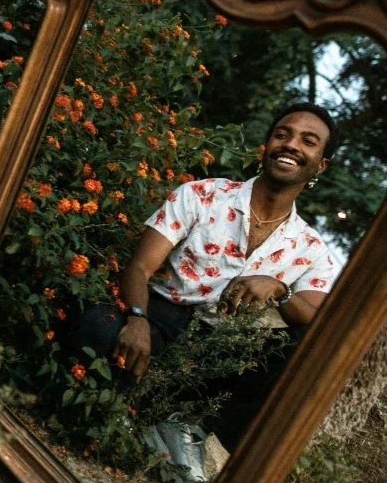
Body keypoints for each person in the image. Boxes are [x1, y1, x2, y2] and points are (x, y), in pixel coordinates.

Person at [69, 102, 340, 453]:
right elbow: (139, 268)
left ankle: (194, 442)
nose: (291, 145)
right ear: (267, 146)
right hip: (163, 323)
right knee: (99, 327)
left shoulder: (312, 248)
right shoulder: (202, 194)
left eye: (308, 141)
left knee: (296, 352)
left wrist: (279, 289)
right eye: (282, 135)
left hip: (224, 357)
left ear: (321, 164)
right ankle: (124, 417)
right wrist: (136, 320)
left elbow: (317, 324)